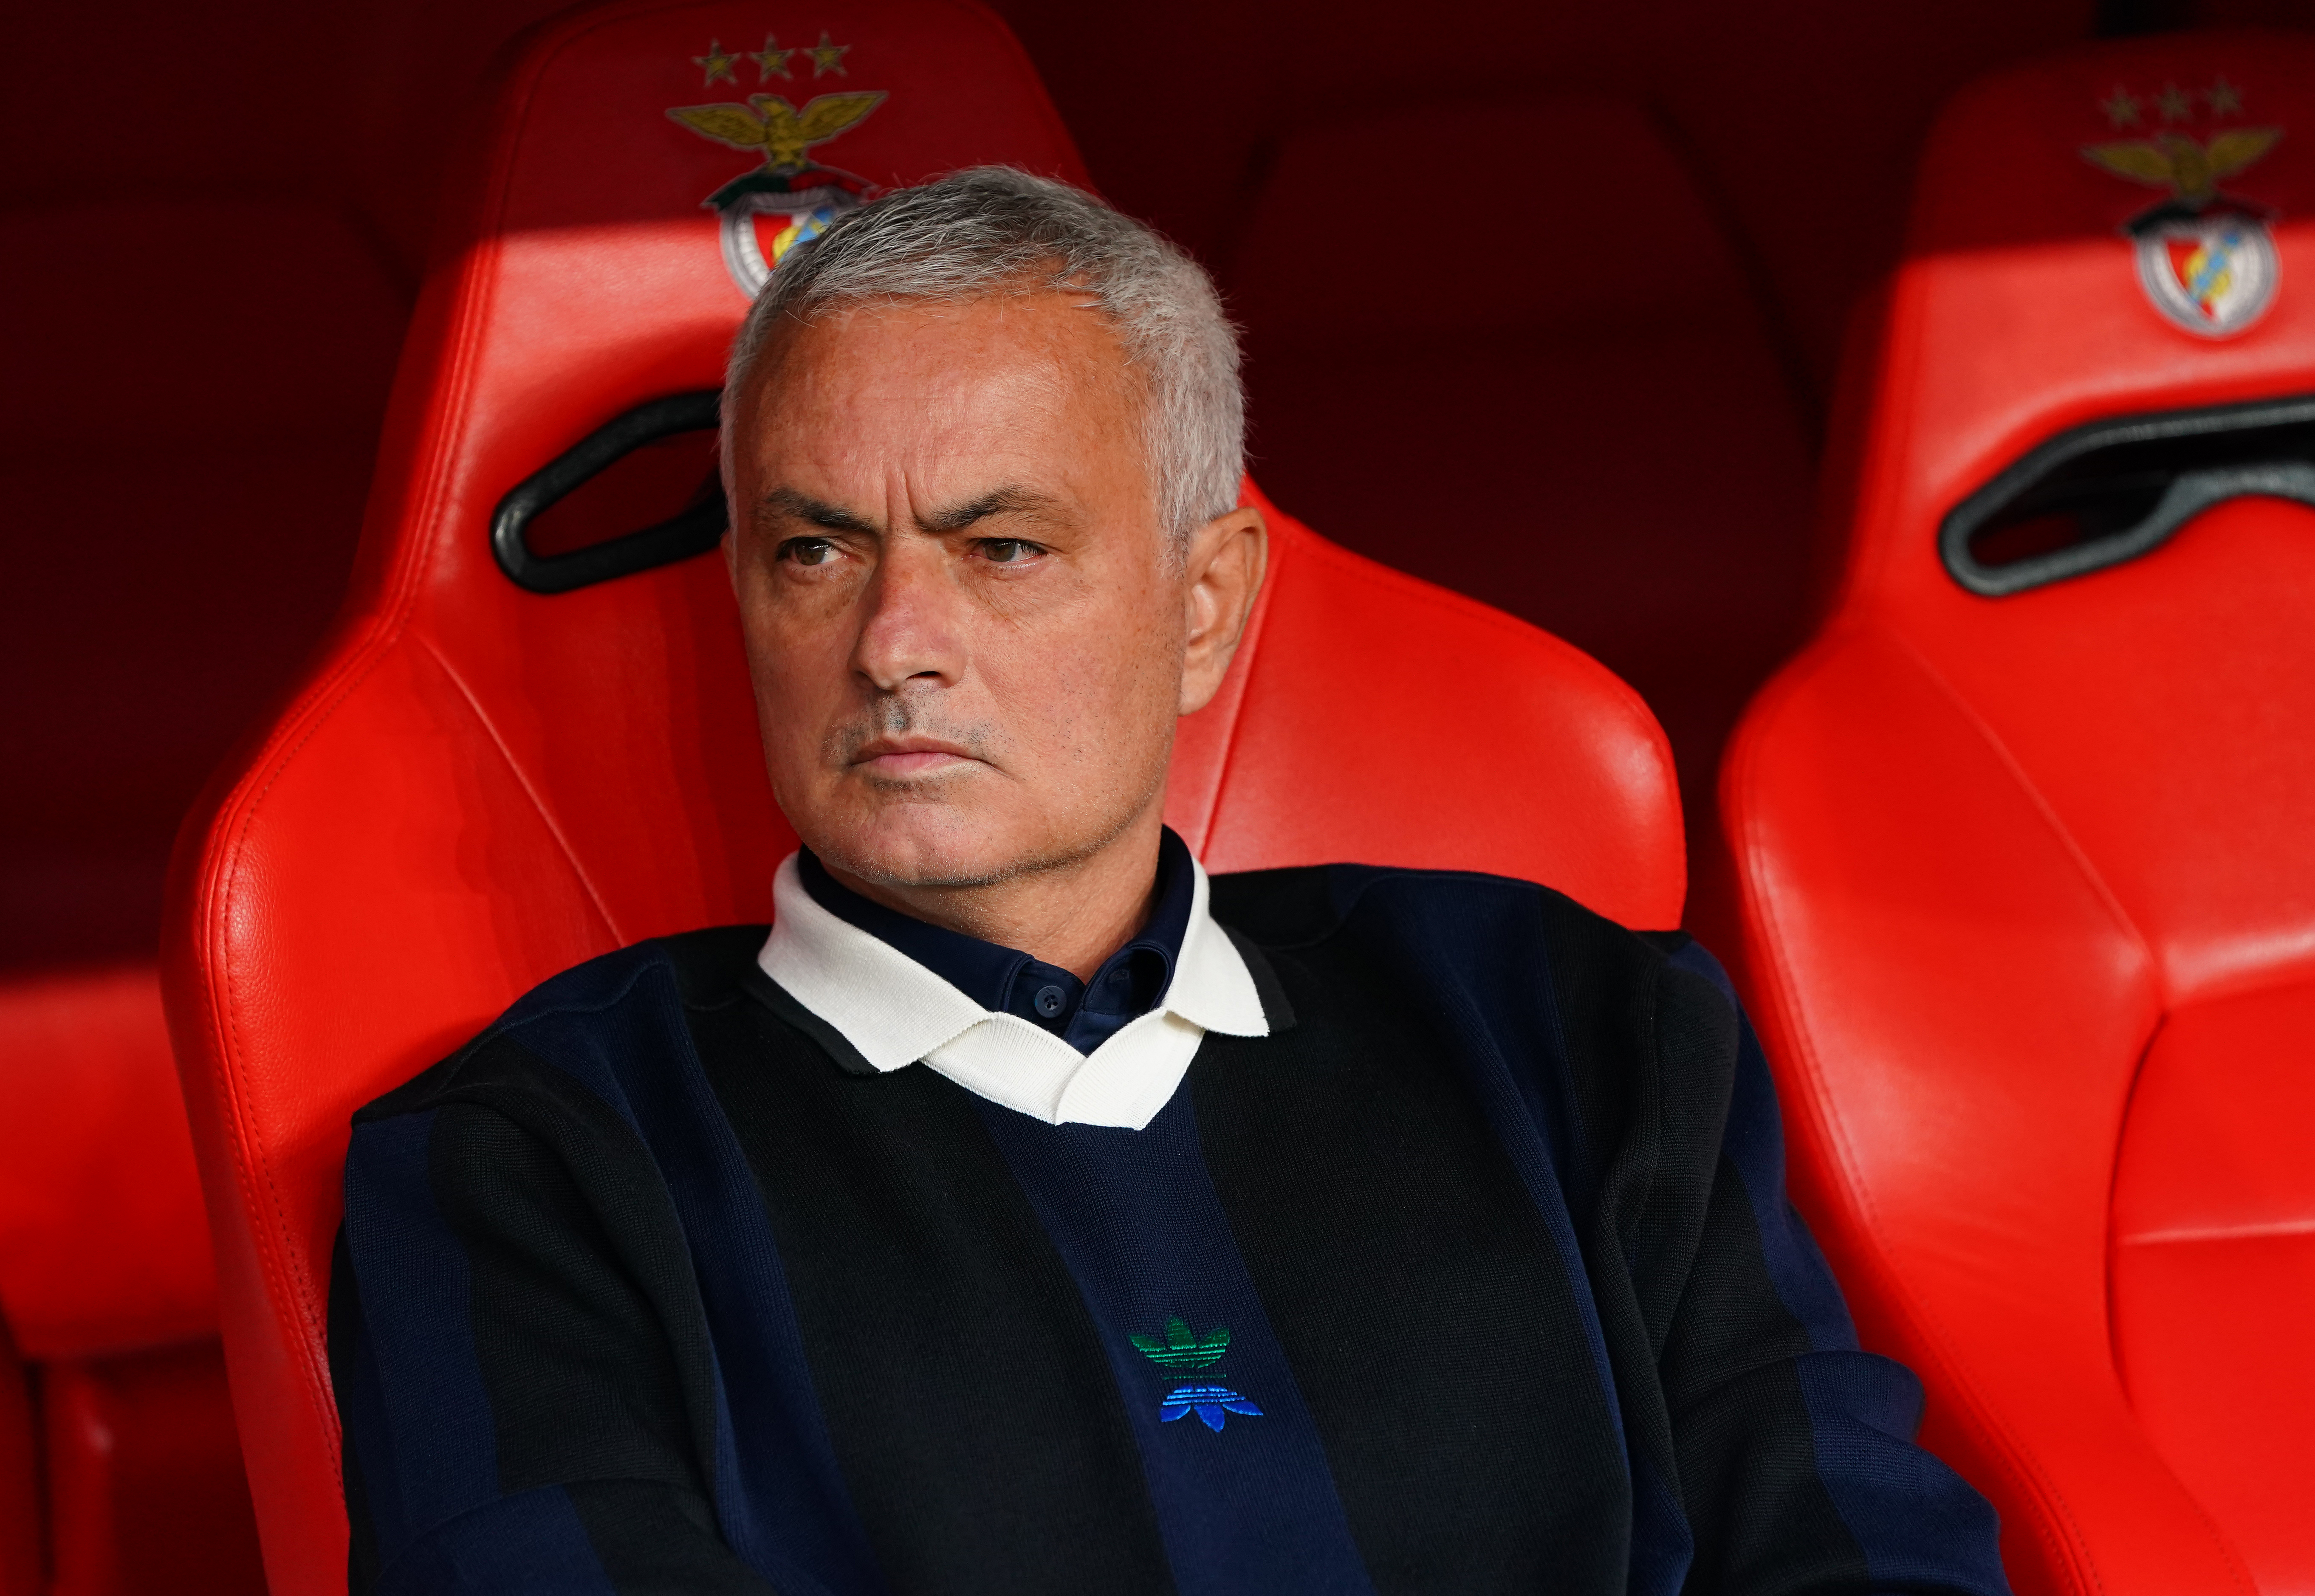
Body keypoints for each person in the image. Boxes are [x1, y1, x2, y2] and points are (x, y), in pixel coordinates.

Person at [329, 167, 2008, 1596]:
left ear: (1202, 605)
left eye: (1002, 548)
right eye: (816, 548)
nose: (895, 646)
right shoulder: (529, 1159)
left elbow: (1859, 1546)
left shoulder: (1580, 1025)